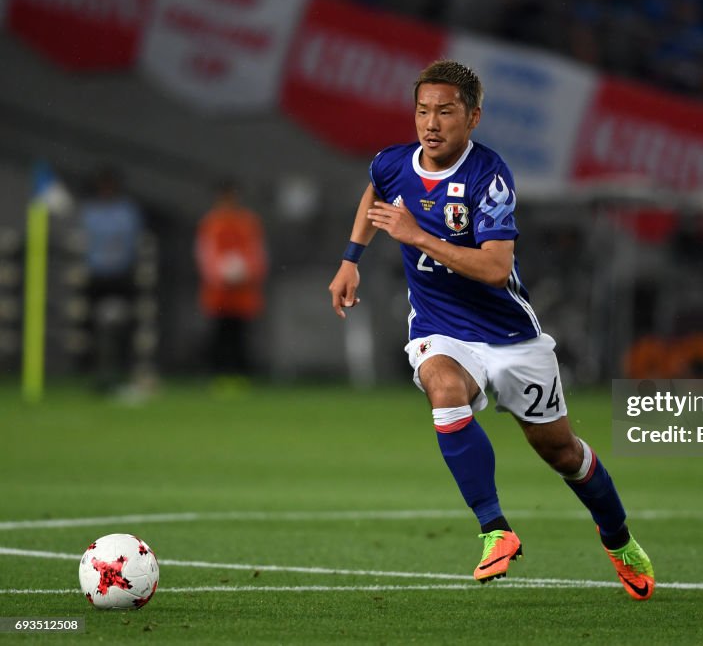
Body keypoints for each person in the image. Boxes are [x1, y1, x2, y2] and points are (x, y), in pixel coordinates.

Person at [328, 59, 654, 599]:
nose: (431, 124)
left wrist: (417, 236)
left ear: (473, 117)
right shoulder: (393, 163)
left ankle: (619, 539)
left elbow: (496, 268)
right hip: (441, 328)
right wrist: (350, 259)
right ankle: (494, 529)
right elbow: (375, 192)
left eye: (446, 112)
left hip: (510, 338)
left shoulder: (489, 175)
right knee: (443, 387)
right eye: (422, 111)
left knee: (562, 452)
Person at [195, 179, 268, 382]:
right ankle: (218, 375)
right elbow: (205, 255)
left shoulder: (247, 222)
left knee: (241, 335)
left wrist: (248, 273)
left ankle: (241, 376)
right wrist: (220, 276)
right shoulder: (211, 223)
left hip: (244, 290)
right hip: (219, 291)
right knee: (219, 333)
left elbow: (257, 253)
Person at [79, 166, 143, 393]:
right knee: (95, 328)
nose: (107, 189)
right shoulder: (91, 211)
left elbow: (128, 240)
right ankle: (98, 375)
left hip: (121, 277)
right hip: (97, 278)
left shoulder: (127, 211)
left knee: (121, 326)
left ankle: (120, 374)